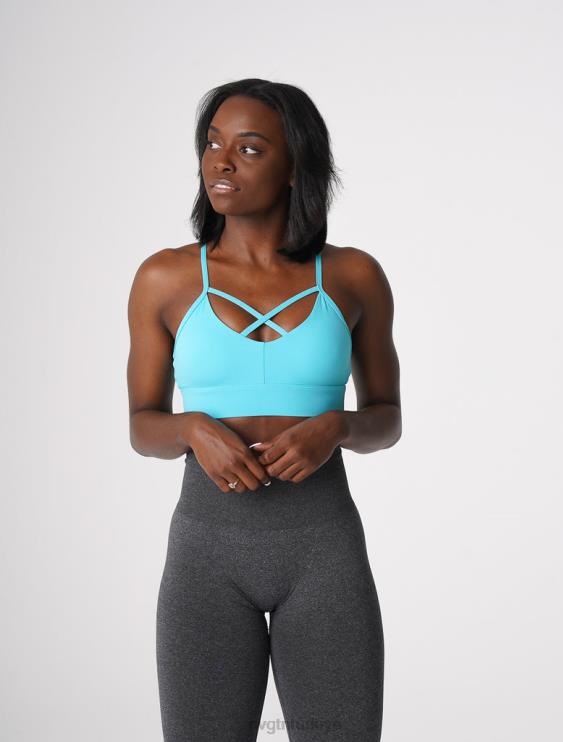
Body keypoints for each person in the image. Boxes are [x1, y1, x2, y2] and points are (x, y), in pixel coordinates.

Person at [127, 78, 402, 742]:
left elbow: (387, 418)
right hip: (205, 554)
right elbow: (142, 426)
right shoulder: (165, 278)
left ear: (295, 167)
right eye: (212, 144)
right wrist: (192, 429)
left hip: (323, 549)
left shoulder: (353, 275)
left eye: (248, 149)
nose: (220, 162)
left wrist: (337, 427)